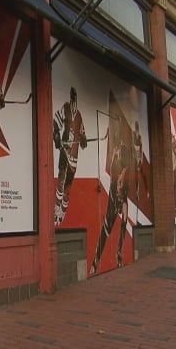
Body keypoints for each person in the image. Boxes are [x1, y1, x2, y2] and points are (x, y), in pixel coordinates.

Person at [91, 128, 131, 274]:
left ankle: (119, 252)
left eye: (117, 142)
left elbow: (125, 170)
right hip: (114, 191)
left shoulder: (124, 152)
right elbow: (113, 177)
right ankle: (96, 259)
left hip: (122, 191)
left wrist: (122, 181)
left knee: (125, 219)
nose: (116, 145)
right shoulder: (114, 154)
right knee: (107, 227)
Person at [52, 87, 87, 226]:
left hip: (74, 157)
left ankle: (62, 211)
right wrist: (56, 136)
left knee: (67, 188)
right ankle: (56, 207)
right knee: (60, 179)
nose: (73, 101)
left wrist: (83, 139)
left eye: (75, 98)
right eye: (72, 97)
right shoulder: (65, 108)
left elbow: (83, 136)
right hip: (64, 150)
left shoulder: (79, 115)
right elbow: (56, 123)